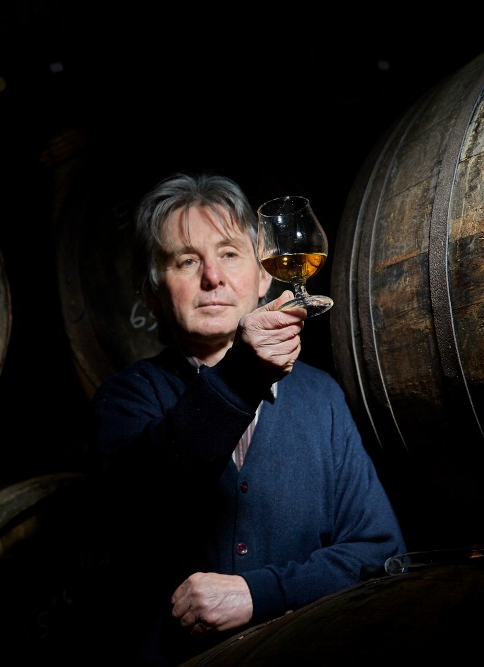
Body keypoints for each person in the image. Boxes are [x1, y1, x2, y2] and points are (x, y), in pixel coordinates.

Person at [89, 172, 406, 665]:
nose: (212, 277)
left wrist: (259, 594)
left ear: (263, 277)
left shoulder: (320, 397)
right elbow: (143, 503)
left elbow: (381, 553)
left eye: (230, 254)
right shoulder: (126, 397)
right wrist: (242, 374)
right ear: (152, 293)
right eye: (186, 260)